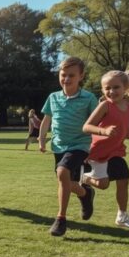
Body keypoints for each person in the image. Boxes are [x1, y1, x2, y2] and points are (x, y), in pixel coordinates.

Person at [81, 71, 129, 231]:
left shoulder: (128, 107)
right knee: (103, 185)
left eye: (116, 87)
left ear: (126, 87)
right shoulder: (105, 105)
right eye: (107, 88)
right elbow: (86, 127)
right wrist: (103, 131)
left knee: (124, 180)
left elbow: (125, 132)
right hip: (99, 152)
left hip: (116, 151)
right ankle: (83, 178)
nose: (111, 91)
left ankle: (122, 216)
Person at [39, 57, 98, 237]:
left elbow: (96, 123)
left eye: (71, 75)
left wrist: (95, 147)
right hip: (58, 146)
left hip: (80, 145)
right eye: (63, 75)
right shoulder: (53, 97)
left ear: (81, 76)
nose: (66, 79)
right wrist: (42, 139)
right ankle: (85, 194)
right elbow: (46, 120)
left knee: (62, 172)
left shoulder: (89, 98)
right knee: (67, 182)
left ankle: (61, 219)